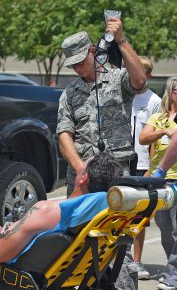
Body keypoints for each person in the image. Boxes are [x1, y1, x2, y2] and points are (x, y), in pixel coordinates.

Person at [57, 18, 146, 198]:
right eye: (72, 64)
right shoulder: (70, 93)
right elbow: (64, 134)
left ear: (92, 51)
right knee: (79, 225)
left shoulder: (117, 78)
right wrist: (80, 168)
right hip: (82, 175)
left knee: (120, 223)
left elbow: (140, 80)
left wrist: (121, 39)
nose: (77, 67)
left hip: (117, 170)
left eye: (80, 61)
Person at [0, 152, 123, 263]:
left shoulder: (47, 211)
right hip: (67, 271)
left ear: (84, 178)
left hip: (23, 271)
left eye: (83, 165)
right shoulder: (106, 214)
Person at [139, 77, 177, 290]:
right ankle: (174, 269)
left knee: (176, 230)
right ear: (170, 92)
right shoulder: (159, 117)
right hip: (158, 180)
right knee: (164, 229)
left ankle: (173, 274)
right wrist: (164, 131)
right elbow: (143, 138)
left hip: (176, 178)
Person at [131, 56, 161, 280]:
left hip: (142, 165)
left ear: (147, 76)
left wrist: (151, 168)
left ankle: (138, 261)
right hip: (120, 162)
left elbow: (154, 140)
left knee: (140, 217)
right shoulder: (124, 96)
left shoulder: (154, 101)